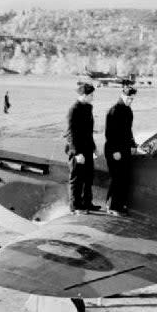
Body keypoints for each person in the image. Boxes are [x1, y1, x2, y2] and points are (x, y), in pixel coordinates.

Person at [103, 86, 137, 216]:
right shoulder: (114, 111)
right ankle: (113, 207)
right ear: (122, 95)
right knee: (117, 178)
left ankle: (118, 204)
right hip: (114, 150)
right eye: (128, 98)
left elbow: (128, 131)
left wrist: (132, 144)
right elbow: (109, 134)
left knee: (124, 177)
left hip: (124, 149)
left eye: (132, 99)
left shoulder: (128, 111)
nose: (130, 101)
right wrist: (115, 151)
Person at [66, 83, 98, 214]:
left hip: (88, 149)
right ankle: (76, 206)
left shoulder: (88, 107)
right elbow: (71, 133)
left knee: (88, 177)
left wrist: (94, 147)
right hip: (78, 150)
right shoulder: (74, 109)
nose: (93, 97)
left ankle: (87, 203)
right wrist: (77, 153)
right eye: (91, 95)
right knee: (77, 179)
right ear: (84, 95)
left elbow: (88, 132)